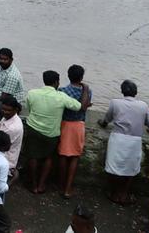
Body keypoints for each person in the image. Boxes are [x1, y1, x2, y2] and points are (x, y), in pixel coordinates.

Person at [21, 70, 81, 194]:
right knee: (48, 157)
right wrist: (85, 88)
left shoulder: (32, 93)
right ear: (56, 82)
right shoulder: (61, 96)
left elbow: (29, 108)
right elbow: (78, 106)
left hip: (33, 128)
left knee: (33, 156)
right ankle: (42, 185)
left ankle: (33, 185)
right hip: (51, 133)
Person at [98, 79, 149, 205]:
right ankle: (124, 194)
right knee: (131, 169)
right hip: (134, 141)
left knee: (113, 167)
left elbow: (106, 120)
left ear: (122, 91)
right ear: (136, 92)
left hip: (118, 139)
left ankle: (114, 193)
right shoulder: (143, 105)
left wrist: (101, 123)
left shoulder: (115, 103)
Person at [57, 64, 92, 198]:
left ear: (68, 75)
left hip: (65, 124)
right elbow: (84, 107)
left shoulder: (62, 90)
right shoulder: (87, 91)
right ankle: (68, 188)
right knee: (75, 156)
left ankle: (61, 185)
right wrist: (86, 88)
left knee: (63, 155)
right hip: (78, 125)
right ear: (81, 77)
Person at [0, 94, 23, 178]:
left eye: (8, 110)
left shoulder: (13, 127)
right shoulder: (7, 117)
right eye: (3, 109)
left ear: (16, 110)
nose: (5, 112)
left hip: (6, 160)